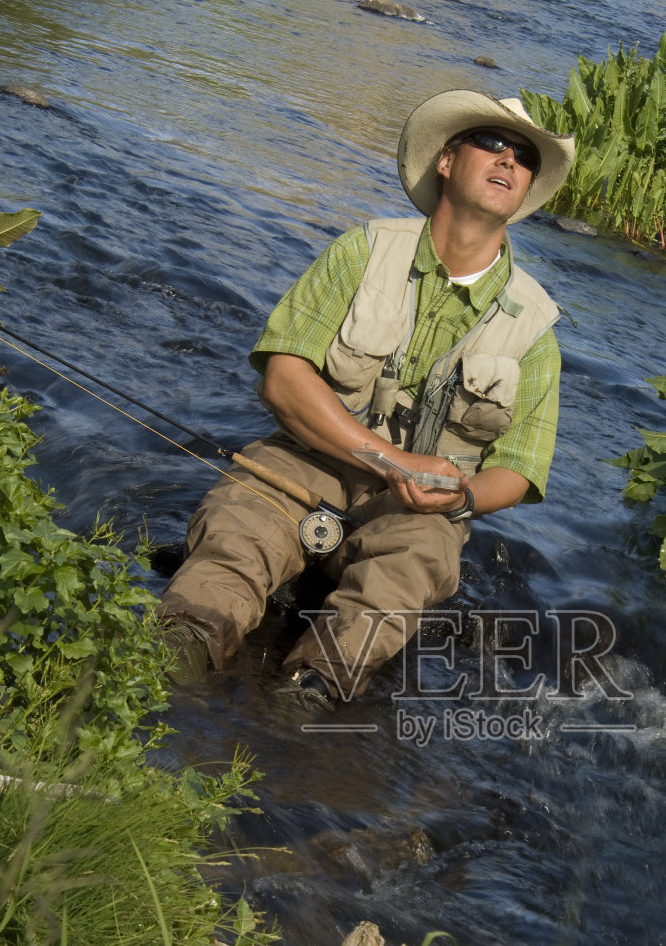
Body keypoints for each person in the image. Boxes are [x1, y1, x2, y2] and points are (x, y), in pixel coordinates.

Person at [158, 89, 575, 707]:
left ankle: (308, 700)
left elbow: (517, 472)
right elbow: (283, 378)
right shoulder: (362, 252)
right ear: (445, 161)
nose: (509, 161)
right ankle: (167, 664)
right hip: (303, 465)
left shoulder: (536, 328)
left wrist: (459, 493)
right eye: (492, 143)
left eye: (524, 157)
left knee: (408, 570)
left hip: (420, 512)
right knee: (236, 533)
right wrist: (390, 460)